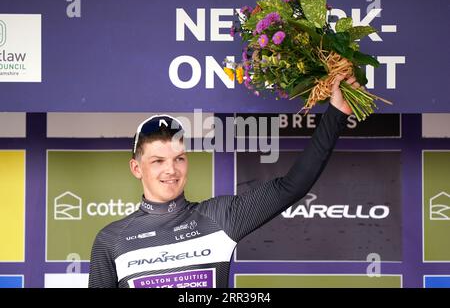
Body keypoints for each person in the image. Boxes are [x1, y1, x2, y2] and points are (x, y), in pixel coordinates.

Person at [88, 74, 359, 288]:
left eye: (179, 158)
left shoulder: (218, 217)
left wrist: (336, 113)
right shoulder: (111, 240)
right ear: (137, 168)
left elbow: (293, 186)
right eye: (158, 161)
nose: (171, 169)